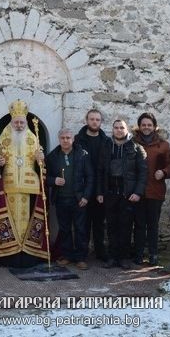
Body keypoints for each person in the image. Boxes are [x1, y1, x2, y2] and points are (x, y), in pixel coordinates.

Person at [0, 100, 48, 267]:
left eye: (21, 122)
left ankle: (29, 254)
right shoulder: (4, 137)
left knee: (29, 221)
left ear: (26, 122)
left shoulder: (33, 138)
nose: (18, 125)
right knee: (10, 221)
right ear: (11, 121)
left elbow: (42, 166)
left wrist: (41, 160)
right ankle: (9, 255)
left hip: (29, 187)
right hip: (9, 186)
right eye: (15, 122)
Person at [99, 119, 147, 270]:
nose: (119, 130)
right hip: (110, 194)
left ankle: (124, 258)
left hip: (128, 195)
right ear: (112, 130)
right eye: (116, 128)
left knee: (126, 227)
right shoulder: (106, 146)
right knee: (111, 227)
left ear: (127, 130)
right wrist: (100, 192)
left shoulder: (137, 148)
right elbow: (100, 172)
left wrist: (138, 192)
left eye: (122, 128)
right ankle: (113, 257)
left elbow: (143, 173)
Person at [46, 128, 93, 270]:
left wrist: (86, 196)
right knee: (64, 229)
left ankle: (80, 258)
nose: (65, 140)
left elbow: (90, 177)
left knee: (80, 229)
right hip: (61, 199)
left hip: (78, 199)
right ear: (59, 139)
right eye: (63, 138)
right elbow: (44, 177)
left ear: (73, 139)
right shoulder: (52, 157)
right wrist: (54, 180)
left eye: (68, 138)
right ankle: (66, 256)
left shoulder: (83, 155)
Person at [131, 113, 170, 266]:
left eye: (149, 125)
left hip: (156, 190)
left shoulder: (163, 145)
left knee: (153, 224)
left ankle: (154, 254)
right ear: (139, 126)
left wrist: (164, 172)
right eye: (143, 125)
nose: (146, 127)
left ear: (154, 126)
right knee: (139, 224)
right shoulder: (133, 143)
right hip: (138, 191)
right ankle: (139, 254)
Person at [74, 109, 111, 261]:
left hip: (100, 188)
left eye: (97, 119)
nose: (94, 122)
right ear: (86, 120)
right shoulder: (78, 140)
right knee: (82, 224)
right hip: (83, 189)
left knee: (99, 223)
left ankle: (100, 252)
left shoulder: (106, 141)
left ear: (101, 122)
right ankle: (81, 254)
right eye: (92, 119)